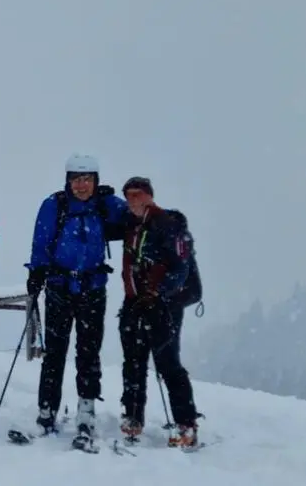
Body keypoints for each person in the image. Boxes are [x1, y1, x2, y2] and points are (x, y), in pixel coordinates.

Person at [24, 154, 127, 444]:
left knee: (88, 352)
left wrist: (165, 219)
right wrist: (36, 272)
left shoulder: (105, 205)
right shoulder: (54, 205)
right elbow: (40, 240)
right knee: (54, 354)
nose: (81, 185)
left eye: (87, 179)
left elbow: (135, 216)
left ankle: (86, 411)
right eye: (76, 179)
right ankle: (46, 412)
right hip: (59, 286)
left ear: (96, 180)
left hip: (93, 288)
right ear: (68, 181)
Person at [117, 176, 200, 448]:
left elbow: (181, 269)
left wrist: (158, 293)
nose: (133, 200)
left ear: (150, 196)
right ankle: (133, 416)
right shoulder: (130, 223)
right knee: (133, 361)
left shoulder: (167, 225)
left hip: (164, 305)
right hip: (135, 301)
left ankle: (186, 424)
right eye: (128, 195)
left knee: (167, 363)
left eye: (138, 194)